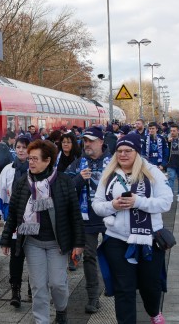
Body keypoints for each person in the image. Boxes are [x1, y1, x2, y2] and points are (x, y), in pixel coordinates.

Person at [0, 140, 84, 324]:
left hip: (57, 243)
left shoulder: (63, 182)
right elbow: (14, 213)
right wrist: (5, 240)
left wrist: (78, 243)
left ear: (48, 160)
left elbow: (74, 215)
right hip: (32, 242)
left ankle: (61, 310)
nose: (31, 162)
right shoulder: (23, 183)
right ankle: (42, 320)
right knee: (38, 286)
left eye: (35, 159)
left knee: (57, 284)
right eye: (30, 159)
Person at [92, 133, 173, 324]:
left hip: (149, 241)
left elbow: (166, 202)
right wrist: (113, 205)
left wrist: (139, 202)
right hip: (117, 240)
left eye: (128, 150)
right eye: (119, 151)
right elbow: (97, 205)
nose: (123, 154)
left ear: (137, 152)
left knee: (150, 286)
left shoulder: (153, 172)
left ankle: (154, 312)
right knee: (124, 289)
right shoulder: (109, 174)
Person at [65, 126, 111, 314]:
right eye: (85, 141)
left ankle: (112, 285)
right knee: (90, 257)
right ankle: (93, 297)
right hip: (87, 219)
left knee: (114, 255)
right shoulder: (78, 164)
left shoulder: (115, 161)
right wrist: (78, 179)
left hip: (111, 217)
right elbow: (65, 188)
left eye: (91, 140)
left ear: (101, 142)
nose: (87, 144)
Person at [0, 136, 30, 308]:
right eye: (18, 147)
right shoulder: (8, 169)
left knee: (33, 257)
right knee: (16, 257)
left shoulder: (35, 168)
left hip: (33, 220)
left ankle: (32, 287)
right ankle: (15, 290)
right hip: (14, 220)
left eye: (24, 147)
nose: (21, 150)